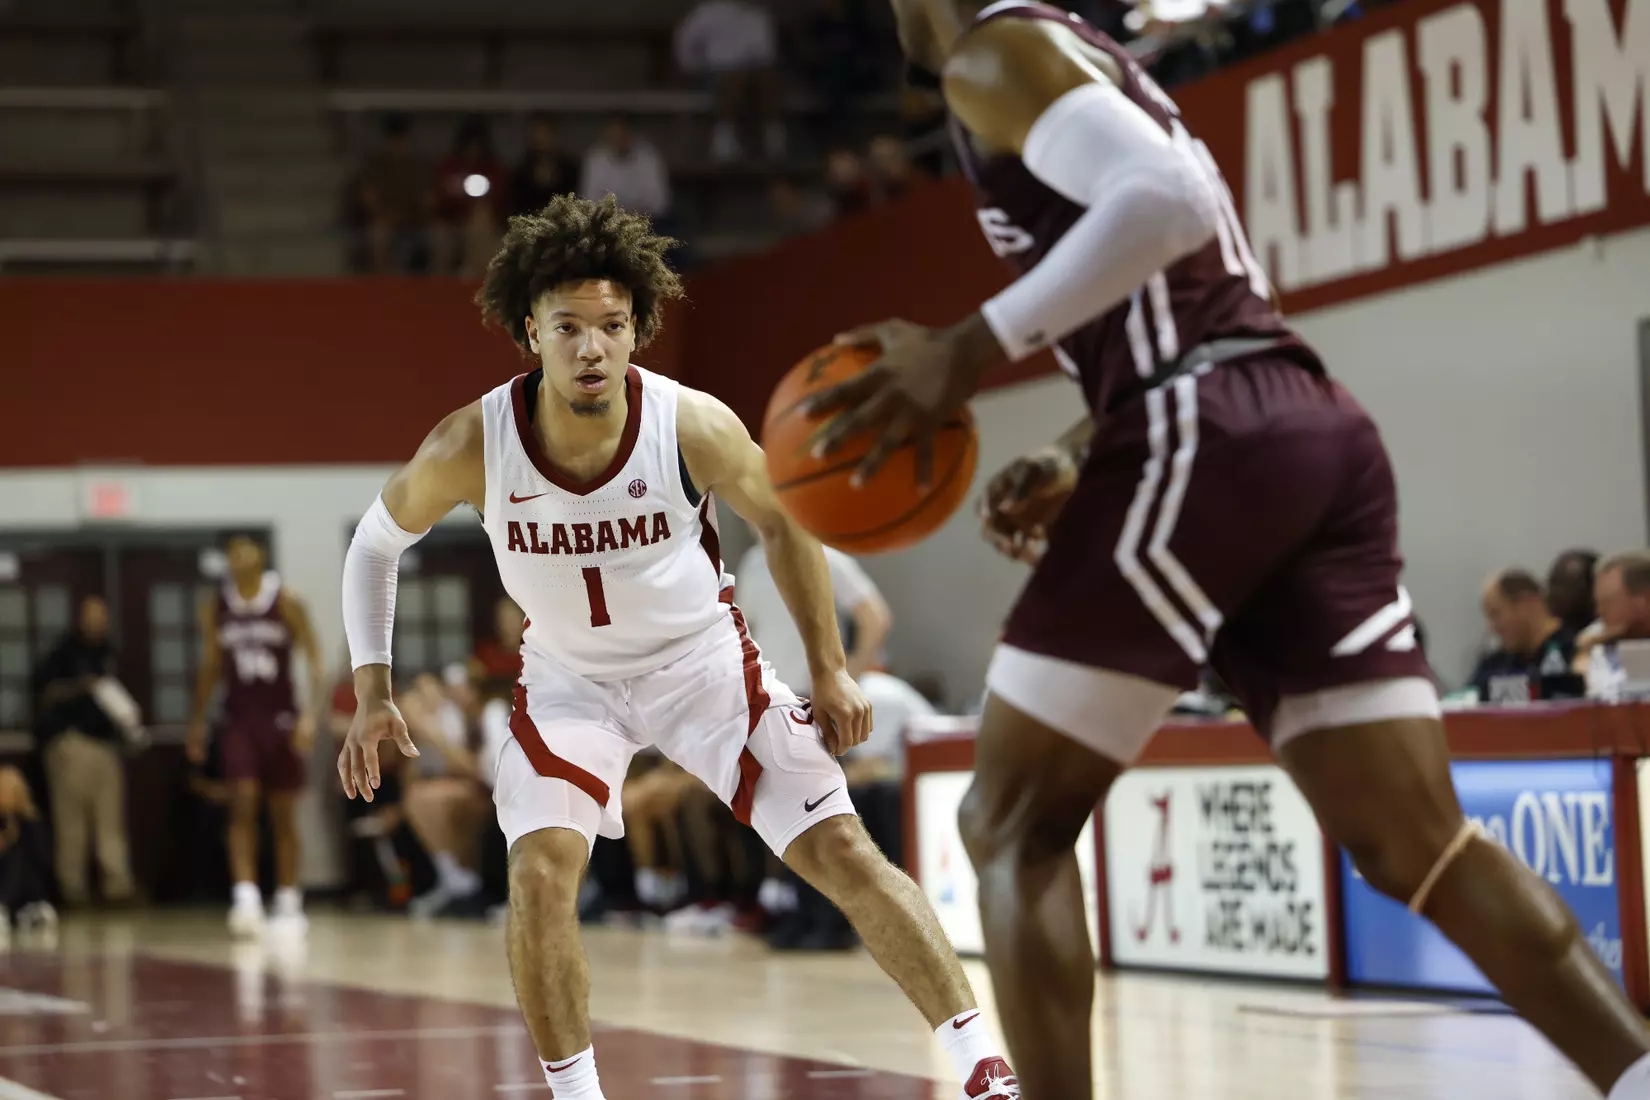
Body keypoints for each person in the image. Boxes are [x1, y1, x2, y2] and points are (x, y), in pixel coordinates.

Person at [805, 3, 1650, 1099]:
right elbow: (1193, 280)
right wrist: (1079, 447)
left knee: (1009, 820)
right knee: (1421, 845)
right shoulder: (1080, 61)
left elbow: (1167, 202)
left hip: (1209, 426)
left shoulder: (994, 48)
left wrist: (969, 348)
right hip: (1301, 426)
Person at [336, 194, 1018, 1100]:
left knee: (843, 852)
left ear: (638, 330)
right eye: (569, 326)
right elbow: (375, 544)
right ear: (529, 331)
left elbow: (785, 527)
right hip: (570, 682)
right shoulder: (474, 441)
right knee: (539, 874)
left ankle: (984, 1065)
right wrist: (373, 689)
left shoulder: (690, 422)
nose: (591, 347)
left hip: (704, 667)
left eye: (612, 325)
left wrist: (830, 668)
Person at [187, 533, 325, 937]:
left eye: (245, 549)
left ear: (261, 555)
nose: (238, 557)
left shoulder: (286, 600)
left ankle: (288, 899)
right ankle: (245, 898)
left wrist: (311, 717)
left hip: (281, 716)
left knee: (283, 812)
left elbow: (315, 661)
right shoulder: (216, 606)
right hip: (238, 718)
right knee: (242, 801)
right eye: (231, 551)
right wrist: (197, 720)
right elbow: (212, 665)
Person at [30, 594, 137, 908]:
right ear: (80, 618)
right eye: (91, 616)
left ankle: (117, 886)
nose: (97, 622)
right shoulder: (61, 655)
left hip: (106, 745)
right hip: (71, 744)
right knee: (71, 822)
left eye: (102, 616)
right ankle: (72, 889)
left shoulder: (109, 655)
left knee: (110, 821)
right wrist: (83, 686)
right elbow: (44, 694)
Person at [1470, 569, 1578, 703]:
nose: (1491, 628)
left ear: (1527, 604)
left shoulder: (1575, 655)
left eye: (1495, 614)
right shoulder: (1496, 665)